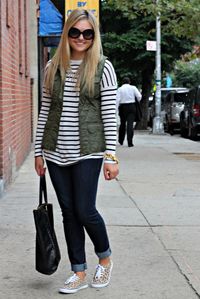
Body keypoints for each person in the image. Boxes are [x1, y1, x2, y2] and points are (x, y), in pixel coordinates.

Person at [34, 9, 119, 294]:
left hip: (89, 150)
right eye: (75, 32)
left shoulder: (103, 67)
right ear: (66, 34)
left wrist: (111, 156)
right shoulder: (52, 68)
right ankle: (79, 271)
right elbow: (45, 111)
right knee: (68, 212)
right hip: (56, 152)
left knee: (85, 210)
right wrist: (38, 152)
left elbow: (110, 115)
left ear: (94, 36)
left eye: (87, 33)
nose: (80, 38)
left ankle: (104, 259)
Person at [117, 77, 142, 147]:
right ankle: (130, 142)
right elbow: (139, 96)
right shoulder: (133, 88)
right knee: (130, 125)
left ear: (122, 82)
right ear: (129, 82)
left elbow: (117, 100)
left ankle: (121, 140)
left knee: (122, 124)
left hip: (123, 107)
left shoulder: (120, 89)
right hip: (132, 106)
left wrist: (116, 109)